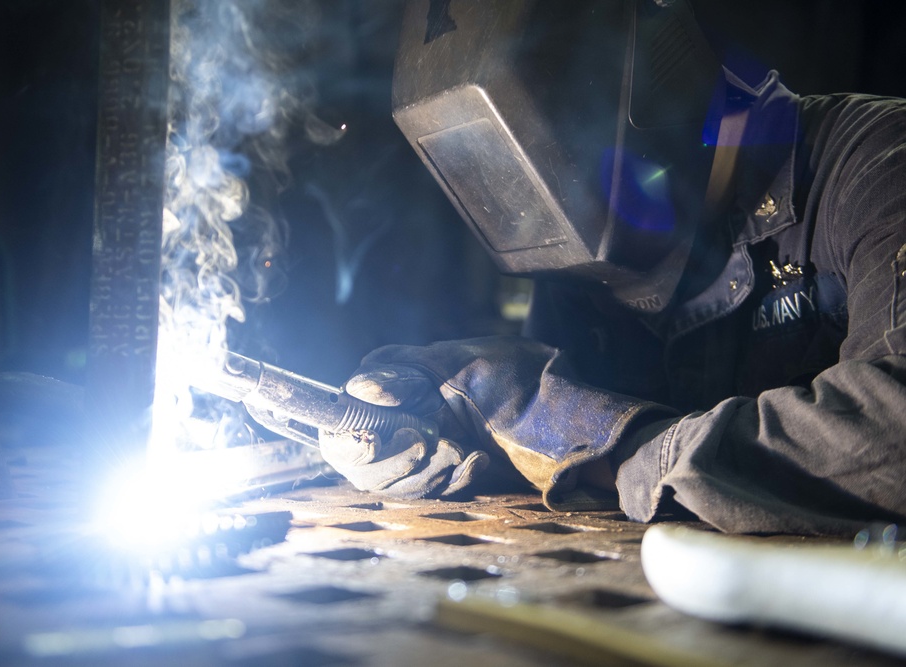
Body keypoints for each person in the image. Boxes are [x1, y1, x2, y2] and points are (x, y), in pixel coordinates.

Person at [317, 0, 906, 535]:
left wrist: (618, 449)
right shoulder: (576, 275)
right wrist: (448, 431)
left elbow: (893, 439)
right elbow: (552, 460)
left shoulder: (875, 165)